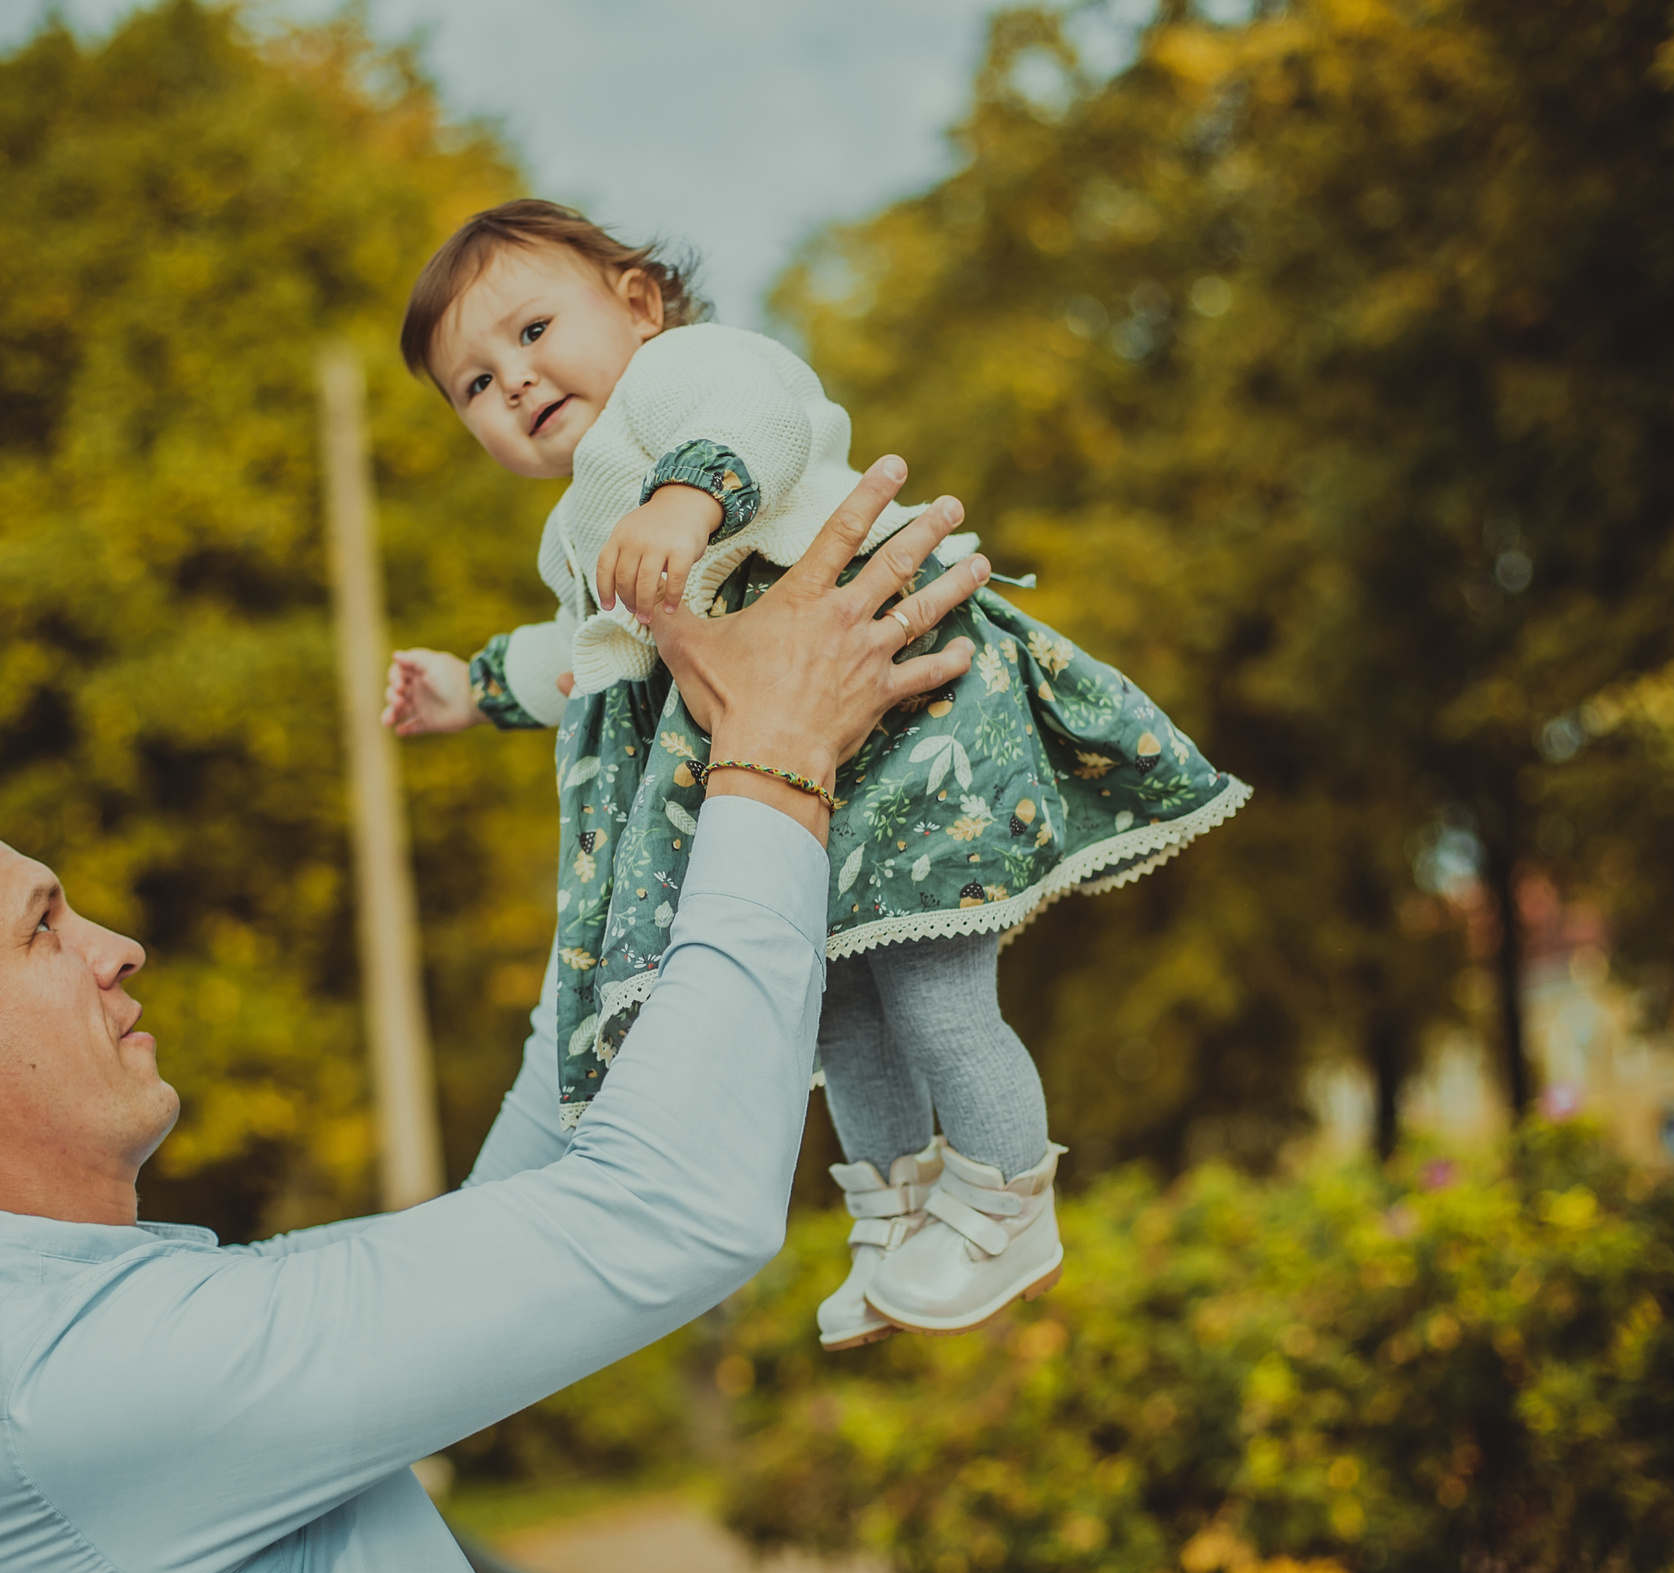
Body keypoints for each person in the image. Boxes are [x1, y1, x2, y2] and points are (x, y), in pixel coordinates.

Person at [0, 467, 987, 1573]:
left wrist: (654, 771)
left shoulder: (68, 1333)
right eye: (42, 926)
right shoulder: (71, 1382)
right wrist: (778, 752)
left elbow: (529, 1203)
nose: (115, 945)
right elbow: (669, 1205)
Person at [384, 201, 1247, 1349]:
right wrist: (471, 687)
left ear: (638, 303)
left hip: (901, 741)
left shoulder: (685, 379)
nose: (516, 381)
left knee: (939, 998)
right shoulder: (578, 533)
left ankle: (1006, 1204)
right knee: (840, 1021)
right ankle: (895, 1215)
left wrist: (687, 497)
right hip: (798, 799)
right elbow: (594, 663)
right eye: (476, 386)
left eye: (534, 331)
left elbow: (766, 418)